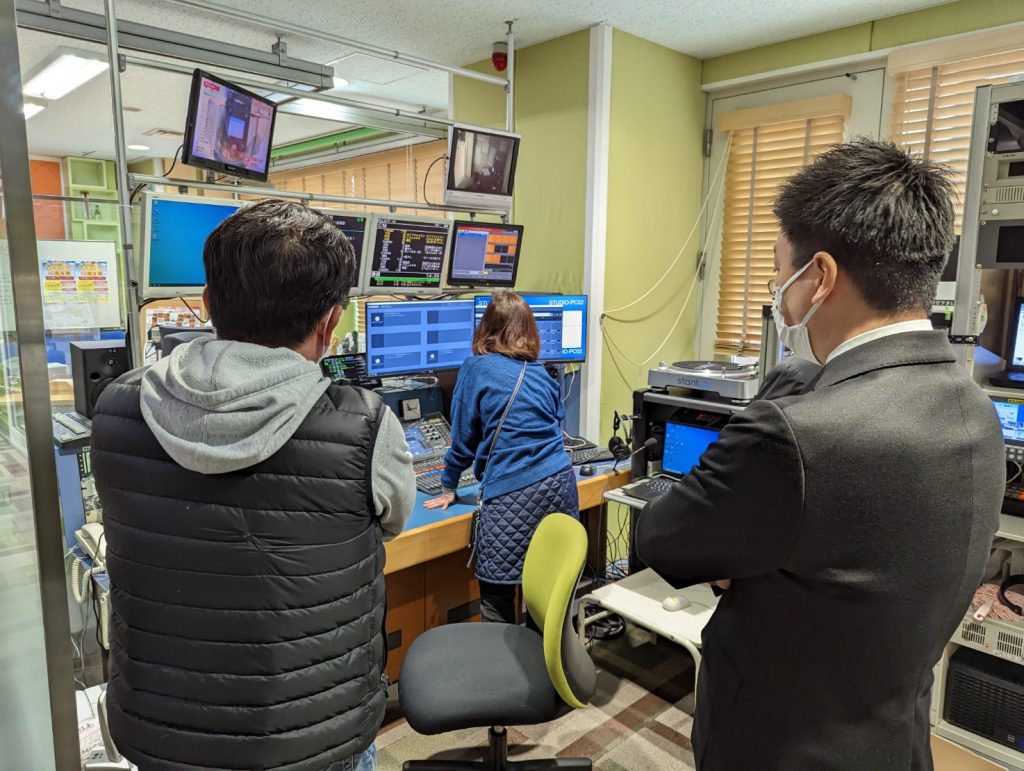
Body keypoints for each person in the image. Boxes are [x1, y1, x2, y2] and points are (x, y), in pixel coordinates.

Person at [635, 139, 1004, 770]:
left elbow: (659, 538)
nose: (778, 290)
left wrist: (774, 401)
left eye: (781, 272)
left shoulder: (793, 434)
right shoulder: (977, 410)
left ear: (821, 277)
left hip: (781, 747)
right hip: (895, 742)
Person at [91, 200, 415, 771]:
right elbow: (395, 519)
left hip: (164, 729)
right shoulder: (364, 425)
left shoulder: (117, 410)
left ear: (210, 304)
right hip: (316, 735)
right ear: (331, 322)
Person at [424, 291, 579, 624]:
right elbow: (556, 419)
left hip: (513, 496)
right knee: (546, 600)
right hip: (561, 488)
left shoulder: (476, 367)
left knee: (497, 603)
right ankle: (546, 670)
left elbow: (463, 441)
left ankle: (503, 672)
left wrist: (448, 484)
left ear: (486, 328)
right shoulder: (542, 374)